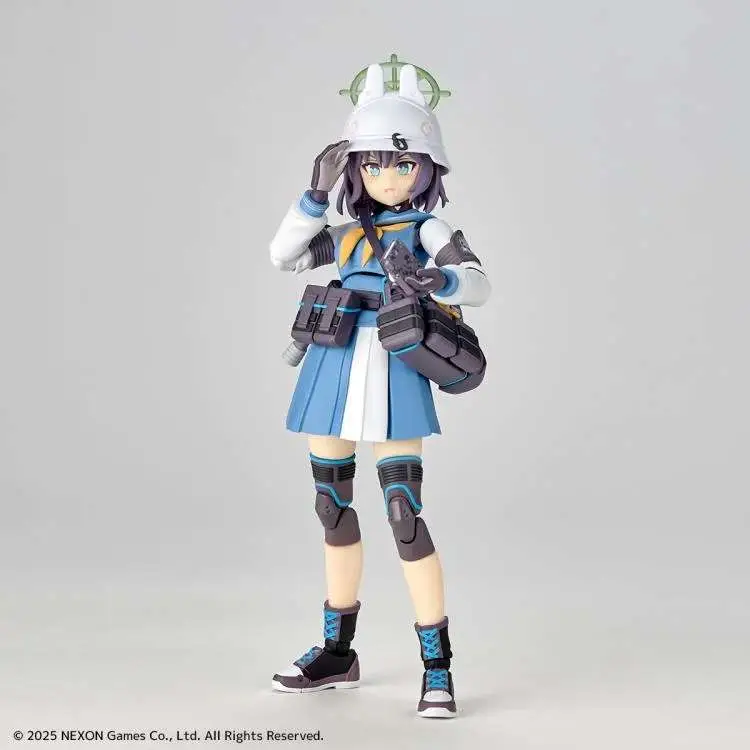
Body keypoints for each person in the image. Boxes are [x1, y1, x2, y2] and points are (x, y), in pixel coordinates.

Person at [268, 63, 490, 718]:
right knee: (332, 508)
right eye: (371, 165)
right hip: (332, 364)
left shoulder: (426, 230)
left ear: (426, 168)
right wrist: (313, 197)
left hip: (396, 365)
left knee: (403, 513)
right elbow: (283, 255)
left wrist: (438, 282)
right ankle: (338, 652)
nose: (388, 178)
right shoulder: (346, 236)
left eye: (403, 165)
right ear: (354, 169)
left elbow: (478, 281)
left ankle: (437, 667)